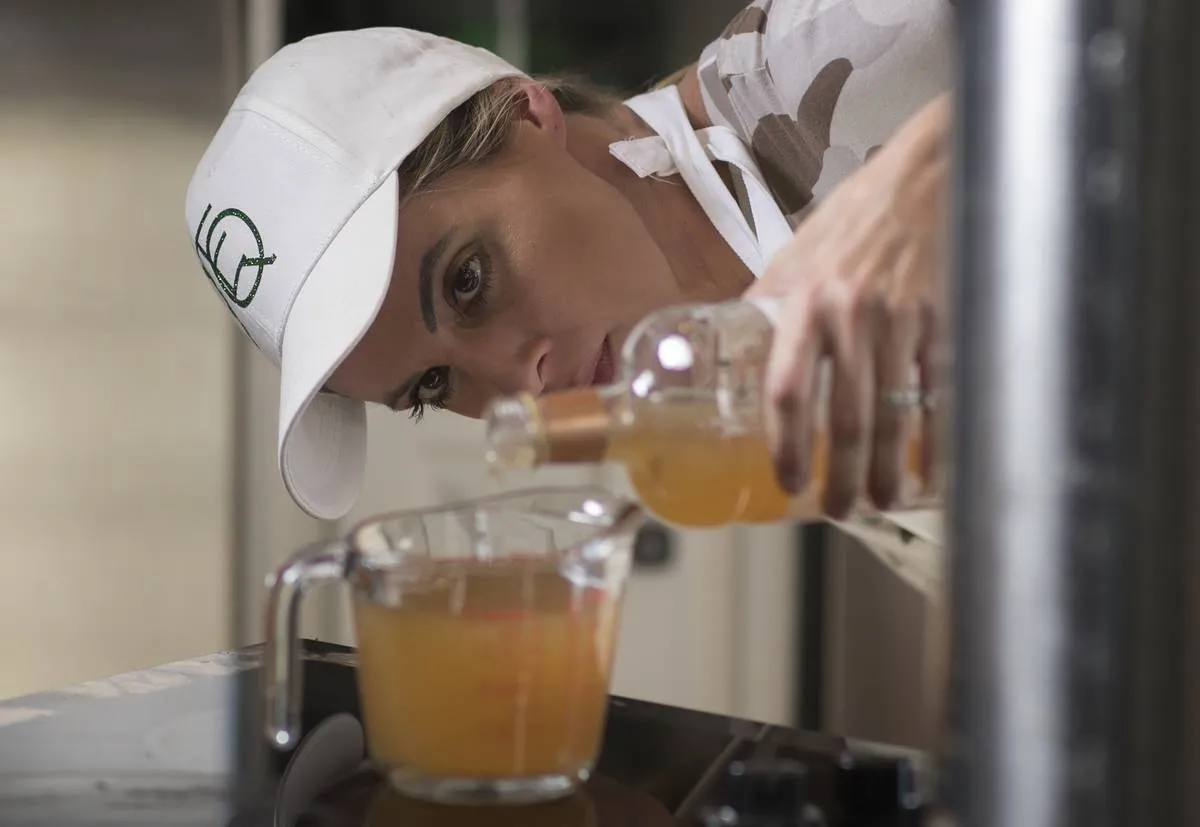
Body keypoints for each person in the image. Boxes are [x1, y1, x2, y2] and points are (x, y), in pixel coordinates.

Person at [185, 0, 954, 523]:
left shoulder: (842, 44)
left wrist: (930, 170)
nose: (524, 386)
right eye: (432, 384)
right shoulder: (726, 406)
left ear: (528, 113)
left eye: (468, 281)